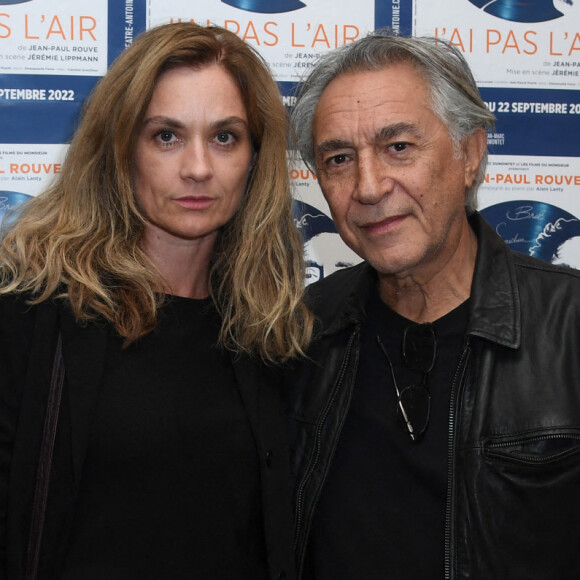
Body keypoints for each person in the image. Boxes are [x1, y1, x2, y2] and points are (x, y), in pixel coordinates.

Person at [0, 22, 313, 580]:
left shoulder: (269, 329)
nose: (197, 168)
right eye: (166, 135)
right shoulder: (32, 308)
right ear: (121, 150)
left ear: (255, 158)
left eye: (225, 137)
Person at [286, 29, 580, 579]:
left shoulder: (568, 328)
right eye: (339, 158)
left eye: (399, 147)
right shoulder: (300, 334)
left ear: (470, 153)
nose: (369, 187)